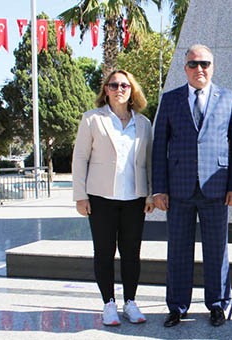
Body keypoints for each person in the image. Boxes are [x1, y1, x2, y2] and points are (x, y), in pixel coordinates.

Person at [152, 44, 232, 328]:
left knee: (217, 250)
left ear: (212, 66)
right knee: (178, 250)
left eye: (204, 63)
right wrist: (159, 188)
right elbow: (159, 147)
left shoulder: (228, 99)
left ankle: (217, 304)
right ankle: (177, 306)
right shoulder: (170, 100)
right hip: (178, 189)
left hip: (216, 188)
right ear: (185, 69)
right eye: (193, 64)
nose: (199, 69)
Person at [72, 69, 155, 326]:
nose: (119, 89)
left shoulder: (143, 124)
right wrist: (80, 195)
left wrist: (150, 193)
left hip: (134, 199)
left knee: (132, 253)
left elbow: (150, 162)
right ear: (105, 90)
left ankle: (130, 302)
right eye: (113, 85)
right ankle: (108, 303)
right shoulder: (92, 119)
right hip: (101, 198)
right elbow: (80, 158)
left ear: (132, 91)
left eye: (124, 85)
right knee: (104, 252)